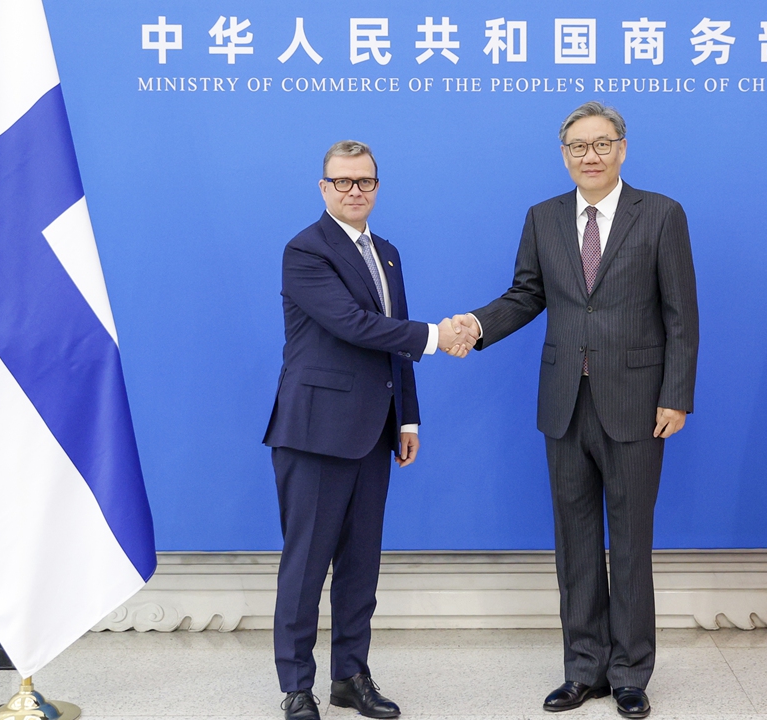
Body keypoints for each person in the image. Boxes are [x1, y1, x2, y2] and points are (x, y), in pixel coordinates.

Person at [453, 101, 699, 719]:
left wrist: (676, 394)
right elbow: (526, 295)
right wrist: (476, 326)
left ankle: (630, 674)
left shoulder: (662, 214)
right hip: (564, 404)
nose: (590, 155)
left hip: (639, 405)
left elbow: (681, 316)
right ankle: (583, 669)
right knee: (576, 542)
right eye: (577, 147)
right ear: (564, 155)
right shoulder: (543, 218)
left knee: (632, 542)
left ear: (622, 148)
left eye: (601, 143)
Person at [264, 140, 476, 720]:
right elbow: (355, 326)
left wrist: (407, 416)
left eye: (365, 182)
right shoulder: (304, 250)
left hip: (374, 431)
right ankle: (297, 686)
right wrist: (438, 336)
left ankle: (351, 677)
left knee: (362, 563)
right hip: (313, 431)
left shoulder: (386, 252)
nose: (354, 191)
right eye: (343, 182)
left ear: (377, 187)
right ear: (323, 187)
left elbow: (392, 345)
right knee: (306, 563)